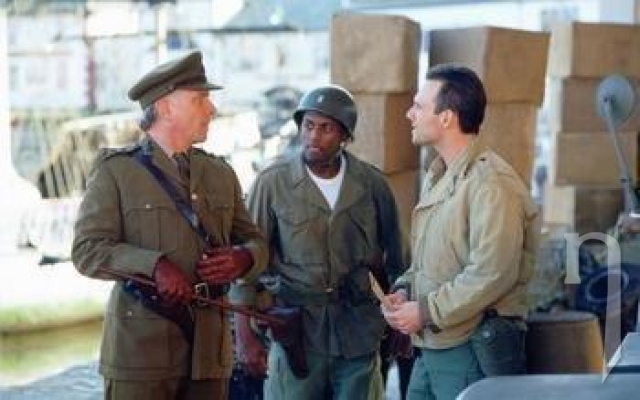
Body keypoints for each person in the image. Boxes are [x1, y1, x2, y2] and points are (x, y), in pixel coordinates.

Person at [71, 50, 268, 400]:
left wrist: (244, 258)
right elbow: (87, 251)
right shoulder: (116, 172)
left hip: (210, 356)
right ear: (165, 107)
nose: (211, 109)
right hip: (142, 356)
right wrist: (154, 265)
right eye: (200, 99)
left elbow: (257, 242)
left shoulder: (221, 173)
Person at [230, 84, 407, 400]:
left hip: (357, 330)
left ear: (345, 136)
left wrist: (401, 322)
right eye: (308, 126)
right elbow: (248, 262)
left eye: (326, 129)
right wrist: (245, 335)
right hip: (295, 331)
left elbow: (397, 258)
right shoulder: (273, 183)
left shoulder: (372, 185)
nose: (314, 136)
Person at [382, 63, 539, 400]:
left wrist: (424, 311)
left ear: (446, 118)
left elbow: (492, 273)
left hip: (470, 350)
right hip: (435, 344)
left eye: (418, 106)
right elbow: (434, 260)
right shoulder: (440, 175)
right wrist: (406, 291)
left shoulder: (491, 184)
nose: (409, 114)